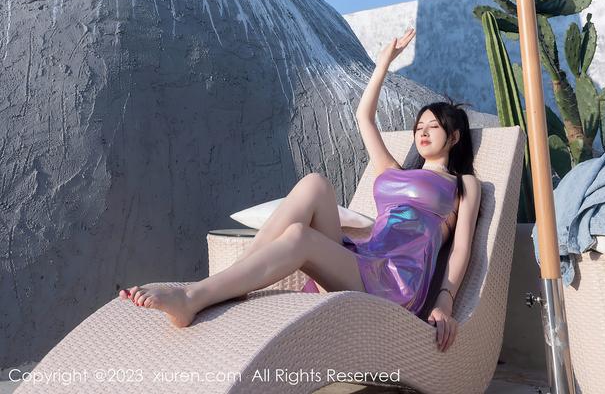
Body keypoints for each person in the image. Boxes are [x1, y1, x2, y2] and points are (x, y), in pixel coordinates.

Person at [119, 27, 482, 353]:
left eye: (433, 127)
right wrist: (384, 62)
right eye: (419, 126)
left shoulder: (462, 183)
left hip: (394, 281)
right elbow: (364, 117)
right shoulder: (393, 170)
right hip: (362, 259)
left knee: (299, 236)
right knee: (315, 183)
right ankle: (228, 285)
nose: (422, 132)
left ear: (453, 137)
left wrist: (444, 303)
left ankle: (194, 296)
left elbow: (461, 247)